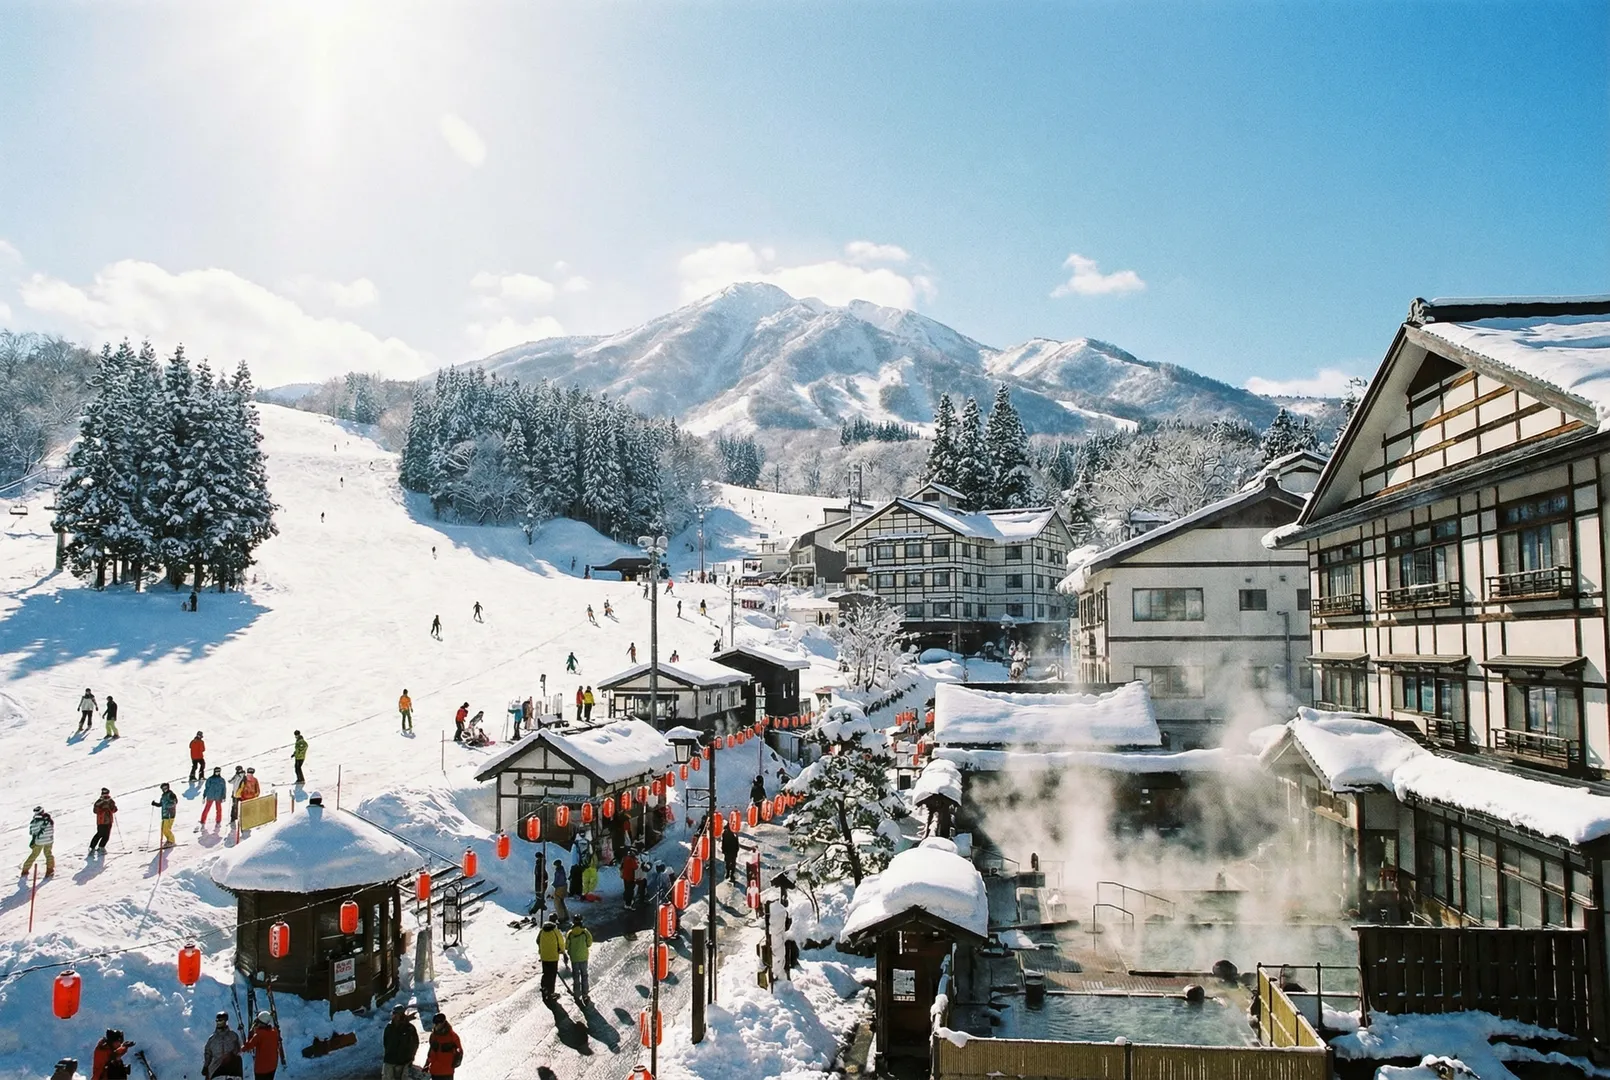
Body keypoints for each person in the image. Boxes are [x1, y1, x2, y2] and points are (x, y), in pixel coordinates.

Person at [381, 1005, 419, 1080]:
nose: (394, 1016)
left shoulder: (409, 1028)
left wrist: (411, 1057)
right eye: (394, 1014)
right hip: (389, 1060)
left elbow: (415, 1043)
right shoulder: (389, 1027)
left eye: (396, 1014)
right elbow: (385, 1042)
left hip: (403, 1061)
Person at [203, 1011, 244, 1078]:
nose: (218, 1023)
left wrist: (231, 1055)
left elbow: (239, 1049)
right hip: (216, 1069)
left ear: (225, 1021)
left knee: (238, 1059)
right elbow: (208, 1054)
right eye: (217, 1021)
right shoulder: (212, 1038)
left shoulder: (233, 1036)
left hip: (230, 1069)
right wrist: (205, 1067)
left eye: (221, 1021)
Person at [242, 1013, 280, 1080]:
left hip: (262, 1068)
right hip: (273, 1065)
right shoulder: (274, 1032)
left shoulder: (259, 1035)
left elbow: (248, 1046)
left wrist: (250, 1034)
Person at [21, 805, 55, 876]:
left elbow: (32, 832)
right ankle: (50, 870)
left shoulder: (35, 821)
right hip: (49, 840)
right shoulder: (49, 819)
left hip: (39, 841)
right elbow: (51, 829)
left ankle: (25, 870)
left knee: (34, 855)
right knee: (48, 854)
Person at [566, 916, 593, 1003]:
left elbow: (566, 946)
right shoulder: (585, 932)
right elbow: (589, 943)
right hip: (584, 957)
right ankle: (585, 994)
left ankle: (577, 994)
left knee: (576, 976)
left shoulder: (570, 933)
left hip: (574, 958)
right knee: (584, 975)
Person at [536, 918, 564, 1002]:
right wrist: (561, 950)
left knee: (546, 973)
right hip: (553, 956)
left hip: (544, 956)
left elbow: (537, 941)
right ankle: (551, 993)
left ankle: (544, 987)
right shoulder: (555, 931)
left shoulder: (542, 930)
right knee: (552, 975)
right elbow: (561, 942)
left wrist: (542, 948)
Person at [90, 789, 117, 854]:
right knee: (100, 834)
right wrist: (103, 808)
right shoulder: (99, 802)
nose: (105, 796)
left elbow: (114, 810)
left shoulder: (111, 801)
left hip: (109, 820)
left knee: (107, 835)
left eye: (106, 794)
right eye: (104, 794)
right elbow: (95, 811)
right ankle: (92, 847)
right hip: (101, 821)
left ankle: (101, 846)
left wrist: (111, 807)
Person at [152, 783, 178, 847]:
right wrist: (155, 804)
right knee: (163, 829)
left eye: (166, 787)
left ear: (168, 787)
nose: (164, 789)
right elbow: (161, 804)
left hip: (170, 814)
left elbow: (174, 803)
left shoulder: (171, 794)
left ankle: (172, 841)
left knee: (166, 829)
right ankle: (169, 840)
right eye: (163, 788)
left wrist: (167, 806)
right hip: (164, 815)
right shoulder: (163, 796)